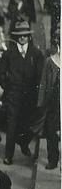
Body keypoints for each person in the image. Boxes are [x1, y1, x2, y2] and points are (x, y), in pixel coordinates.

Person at [0, 19, 44, 165]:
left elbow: (40, 76)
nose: (22, 38)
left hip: (30, 96)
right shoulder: (9, 53)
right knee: (12, 124)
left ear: (29, 36)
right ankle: (8, 155)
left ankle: (24, 143)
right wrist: (9, 88)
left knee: (27, 123)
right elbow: (1, 74)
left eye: (25, 35)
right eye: (19, 35)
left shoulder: (36, 54)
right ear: (16, 36)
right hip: (13, 95)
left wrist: (35, 93)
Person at [35, 33, 60, 169]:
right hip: (53, 102)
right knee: (51, 131)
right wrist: (41, 103)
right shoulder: (50, 61)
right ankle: (53, 159)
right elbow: (43, 83)